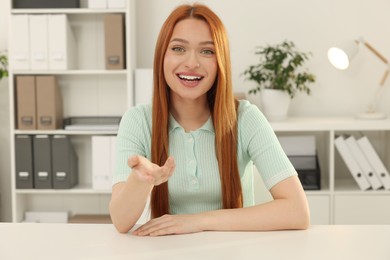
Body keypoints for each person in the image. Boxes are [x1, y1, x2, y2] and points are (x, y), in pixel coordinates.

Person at [109, 3, 310, 236]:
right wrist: (140, 181)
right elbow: (121, 222)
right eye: (178, 49)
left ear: (220, 62)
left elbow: (298, 212)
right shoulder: (138, 121)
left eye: (207, 51)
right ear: (161, 57)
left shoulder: (246, 118)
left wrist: (196, 221)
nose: (192, 63)